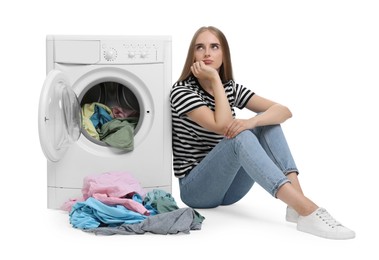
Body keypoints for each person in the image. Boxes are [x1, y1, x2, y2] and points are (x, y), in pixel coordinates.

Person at [169, 26, 355, 240]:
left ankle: (296, 205)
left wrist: (253, 120)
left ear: (224, 54)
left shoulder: (231, 88)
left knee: (267, 123)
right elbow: (223, 125)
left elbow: (283, 111)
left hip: (230, 191)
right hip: (197, 190)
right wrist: (214, 79)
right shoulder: (182, 91)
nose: (207, 53)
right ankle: (307, 209)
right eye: (200, 48)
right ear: (193, 56)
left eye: (214, 47)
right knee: (240, 135)